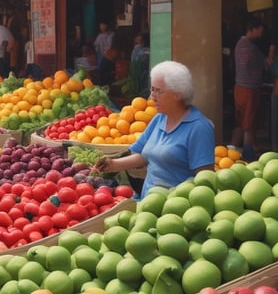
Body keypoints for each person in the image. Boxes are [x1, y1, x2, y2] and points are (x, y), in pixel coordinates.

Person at [94, 61, 215, 199]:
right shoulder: (159, 119)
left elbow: (205, 179)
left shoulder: (199, 128)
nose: (152, 96)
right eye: (152, 89)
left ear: (178, 93)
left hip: (174, 208)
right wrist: (113, 164)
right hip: (147, 201)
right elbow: (144, 155)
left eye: (159, 91)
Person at [231, 17, 267, 161]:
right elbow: (245, 64)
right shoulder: (245, 45)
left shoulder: (249, 45)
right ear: (252, 29)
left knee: (244, 121)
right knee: (246, 121)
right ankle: (247, 153)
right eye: (259, 30)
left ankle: (237, 149)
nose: (261, 34)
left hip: (245, 87)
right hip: (247, 88)